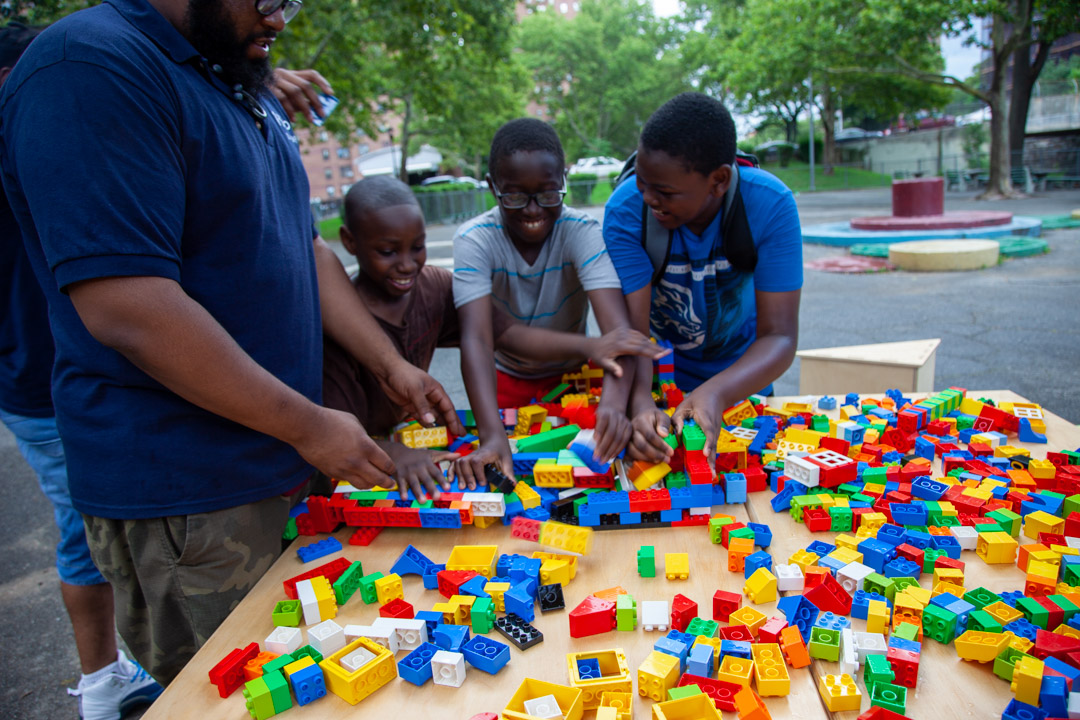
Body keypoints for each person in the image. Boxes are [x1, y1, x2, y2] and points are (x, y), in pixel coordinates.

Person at [0, 0, 459, 687]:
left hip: (283, 468)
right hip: (192, 497)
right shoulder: (88, 67)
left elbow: (304, 251)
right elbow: (129, 307)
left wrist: (387, 363)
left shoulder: (236, 80)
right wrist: (308, 424)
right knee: (240, 693)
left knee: (325, 680)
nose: (282, 15)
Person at [0, 20, 163, 720]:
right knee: (86, 531)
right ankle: (103, 684)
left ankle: (117, 672)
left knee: (103, 527)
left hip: (57, 378)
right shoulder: (39, 138)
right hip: (44, 385)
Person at [452, 117, 667, 487]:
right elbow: (476, 339)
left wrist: (614, 406)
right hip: (507, 383)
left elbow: (619, 335)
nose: (533, 210)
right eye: (515, 196)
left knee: (574, 477)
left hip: (576, 382)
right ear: (492, 187)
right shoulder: (474, 240)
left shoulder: (581, 232)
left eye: (549, 194)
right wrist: (490, 434)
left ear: (564, 180)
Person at [603, 92, 802, 464]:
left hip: (743, 382)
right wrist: (642, 401)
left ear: (719, 181)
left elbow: (780, 336)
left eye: (665, 192)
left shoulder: (771, 205)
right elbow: (632, 335)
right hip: (656, 382)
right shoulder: (626, 211)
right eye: (642, 181)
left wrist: (717, 393)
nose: (647, 197)